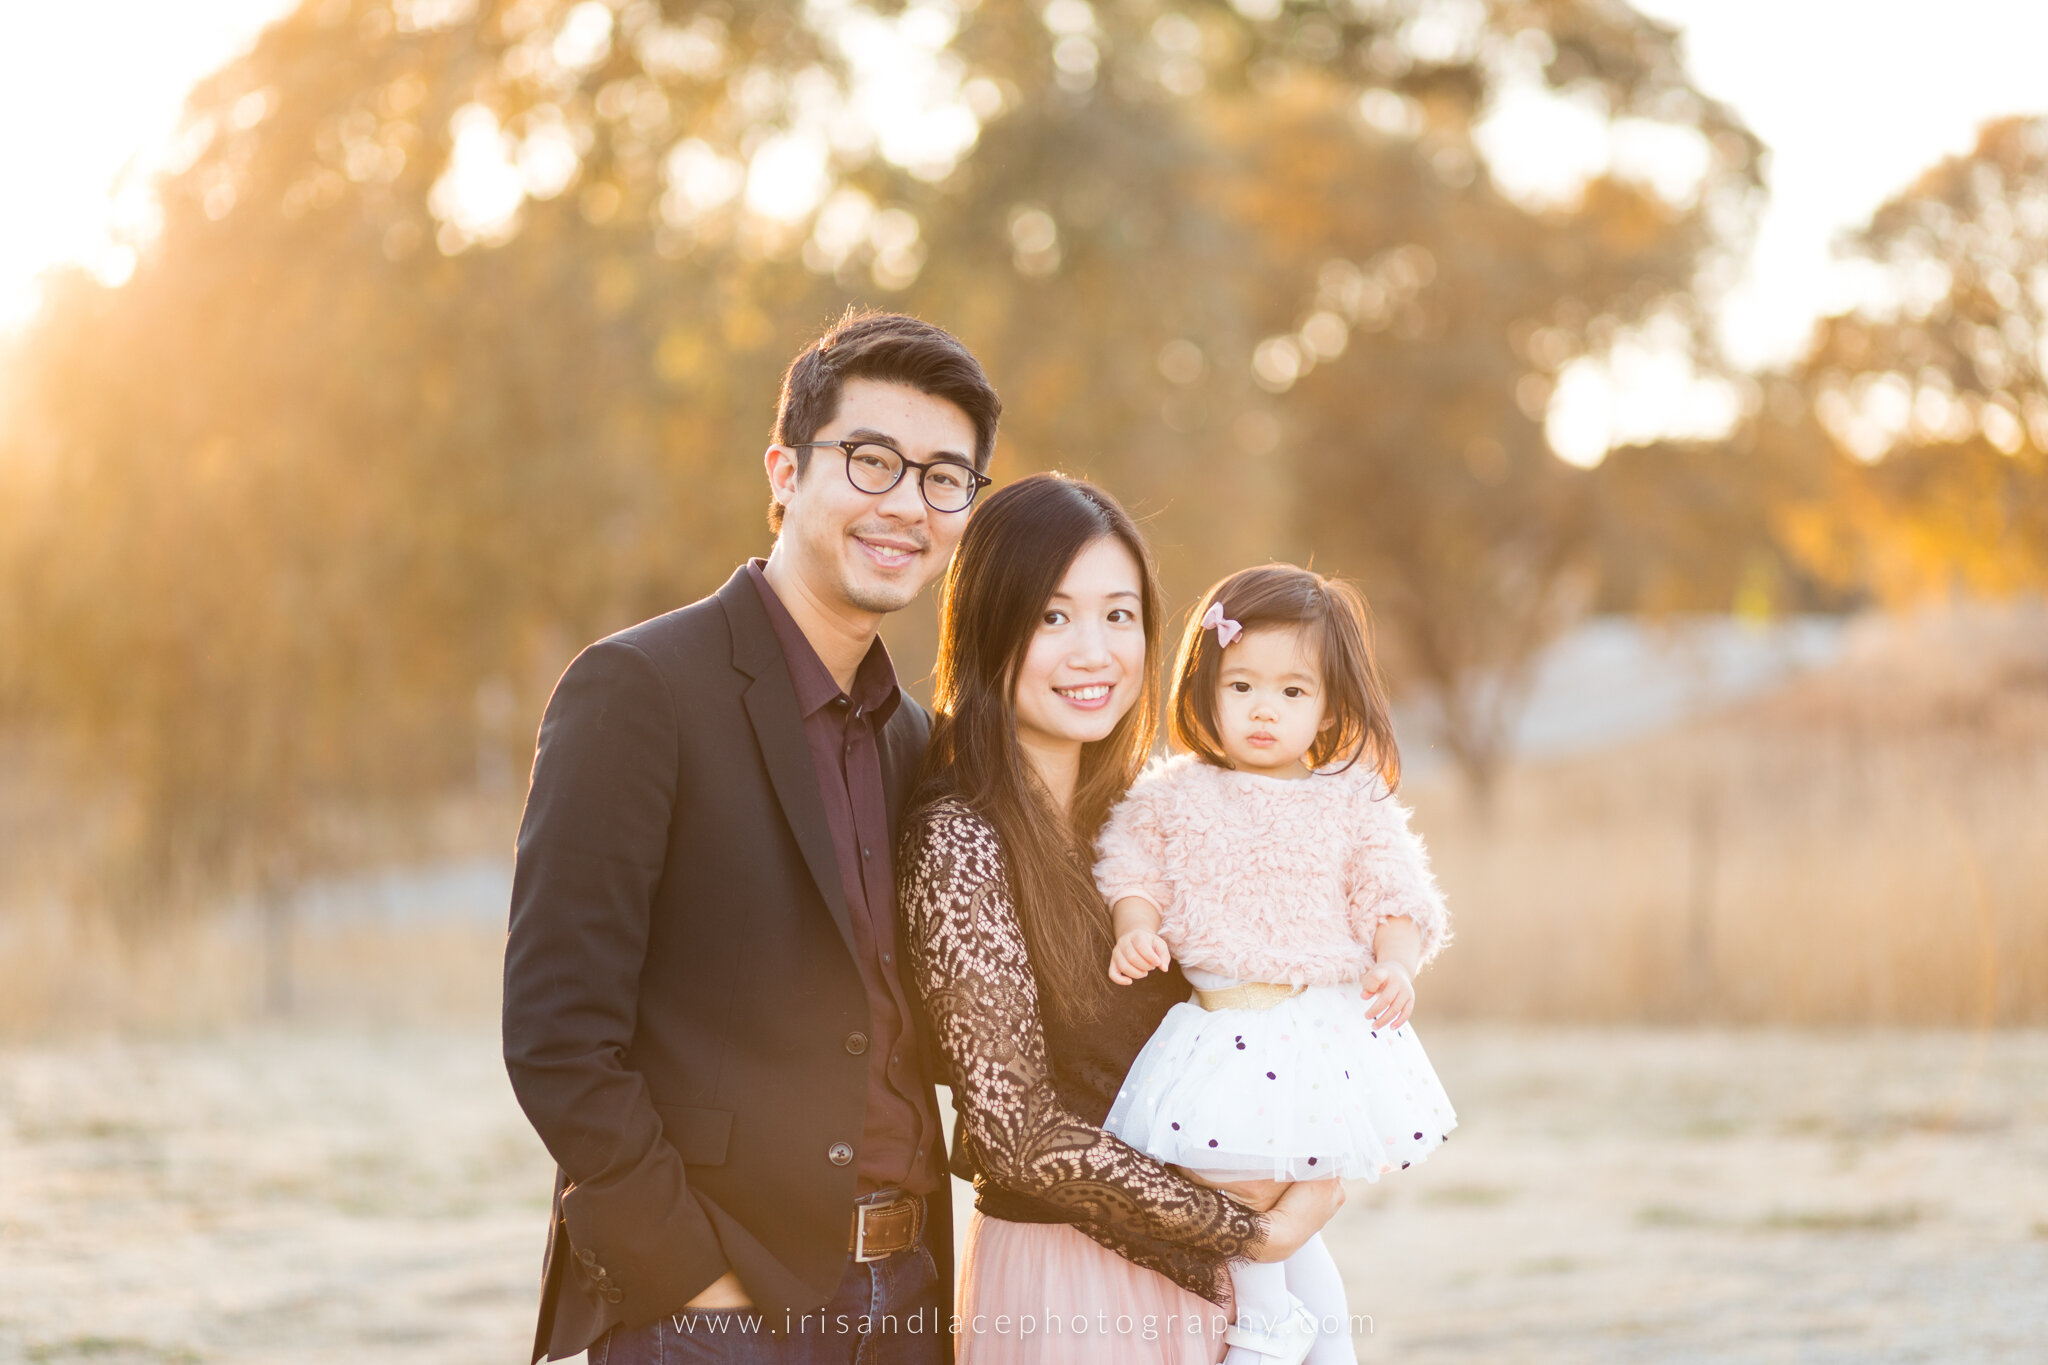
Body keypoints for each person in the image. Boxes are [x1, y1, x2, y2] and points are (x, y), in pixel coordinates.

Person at [502, 310, 1000, 1363]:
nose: (906, 504)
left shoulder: (916, 740)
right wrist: (697, 1293)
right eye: (871, 461)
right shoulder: (638, 690)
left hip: (909, 1302)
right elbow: (557, 1039)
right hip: (719, 1311)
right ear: (782, 470)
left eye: (943, 479)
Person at [899, 476, 1347, 1365]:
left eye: (1119, 615)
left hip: (1232, 1279)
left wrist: (1310, 1147)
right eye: (1054, 617)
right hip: (1076, 1284)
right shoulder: (958, 838)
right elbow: (1016, 1130)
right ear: (991, 626)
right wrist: (1247, 1228)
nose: (1094, 651)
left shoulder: (1151, 815)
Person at [1094, 564, 1457, 1365]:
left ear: (1329, 703)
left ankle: (1265, 1325)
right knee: (1250, 1201)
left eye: (1294, 692)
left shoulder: (1348, 798)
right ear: (1206, 688)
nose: (1265, 709)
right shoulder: (1174, 794)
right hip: (1218, 1027)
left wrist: (1396, 964)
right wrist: (1136, 927)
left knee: (1248, 1186)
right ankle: (1322, 1346)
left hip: (1306, 1029)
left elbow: (1394, 896)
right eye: (1243, 685)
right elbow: (1131, 870)